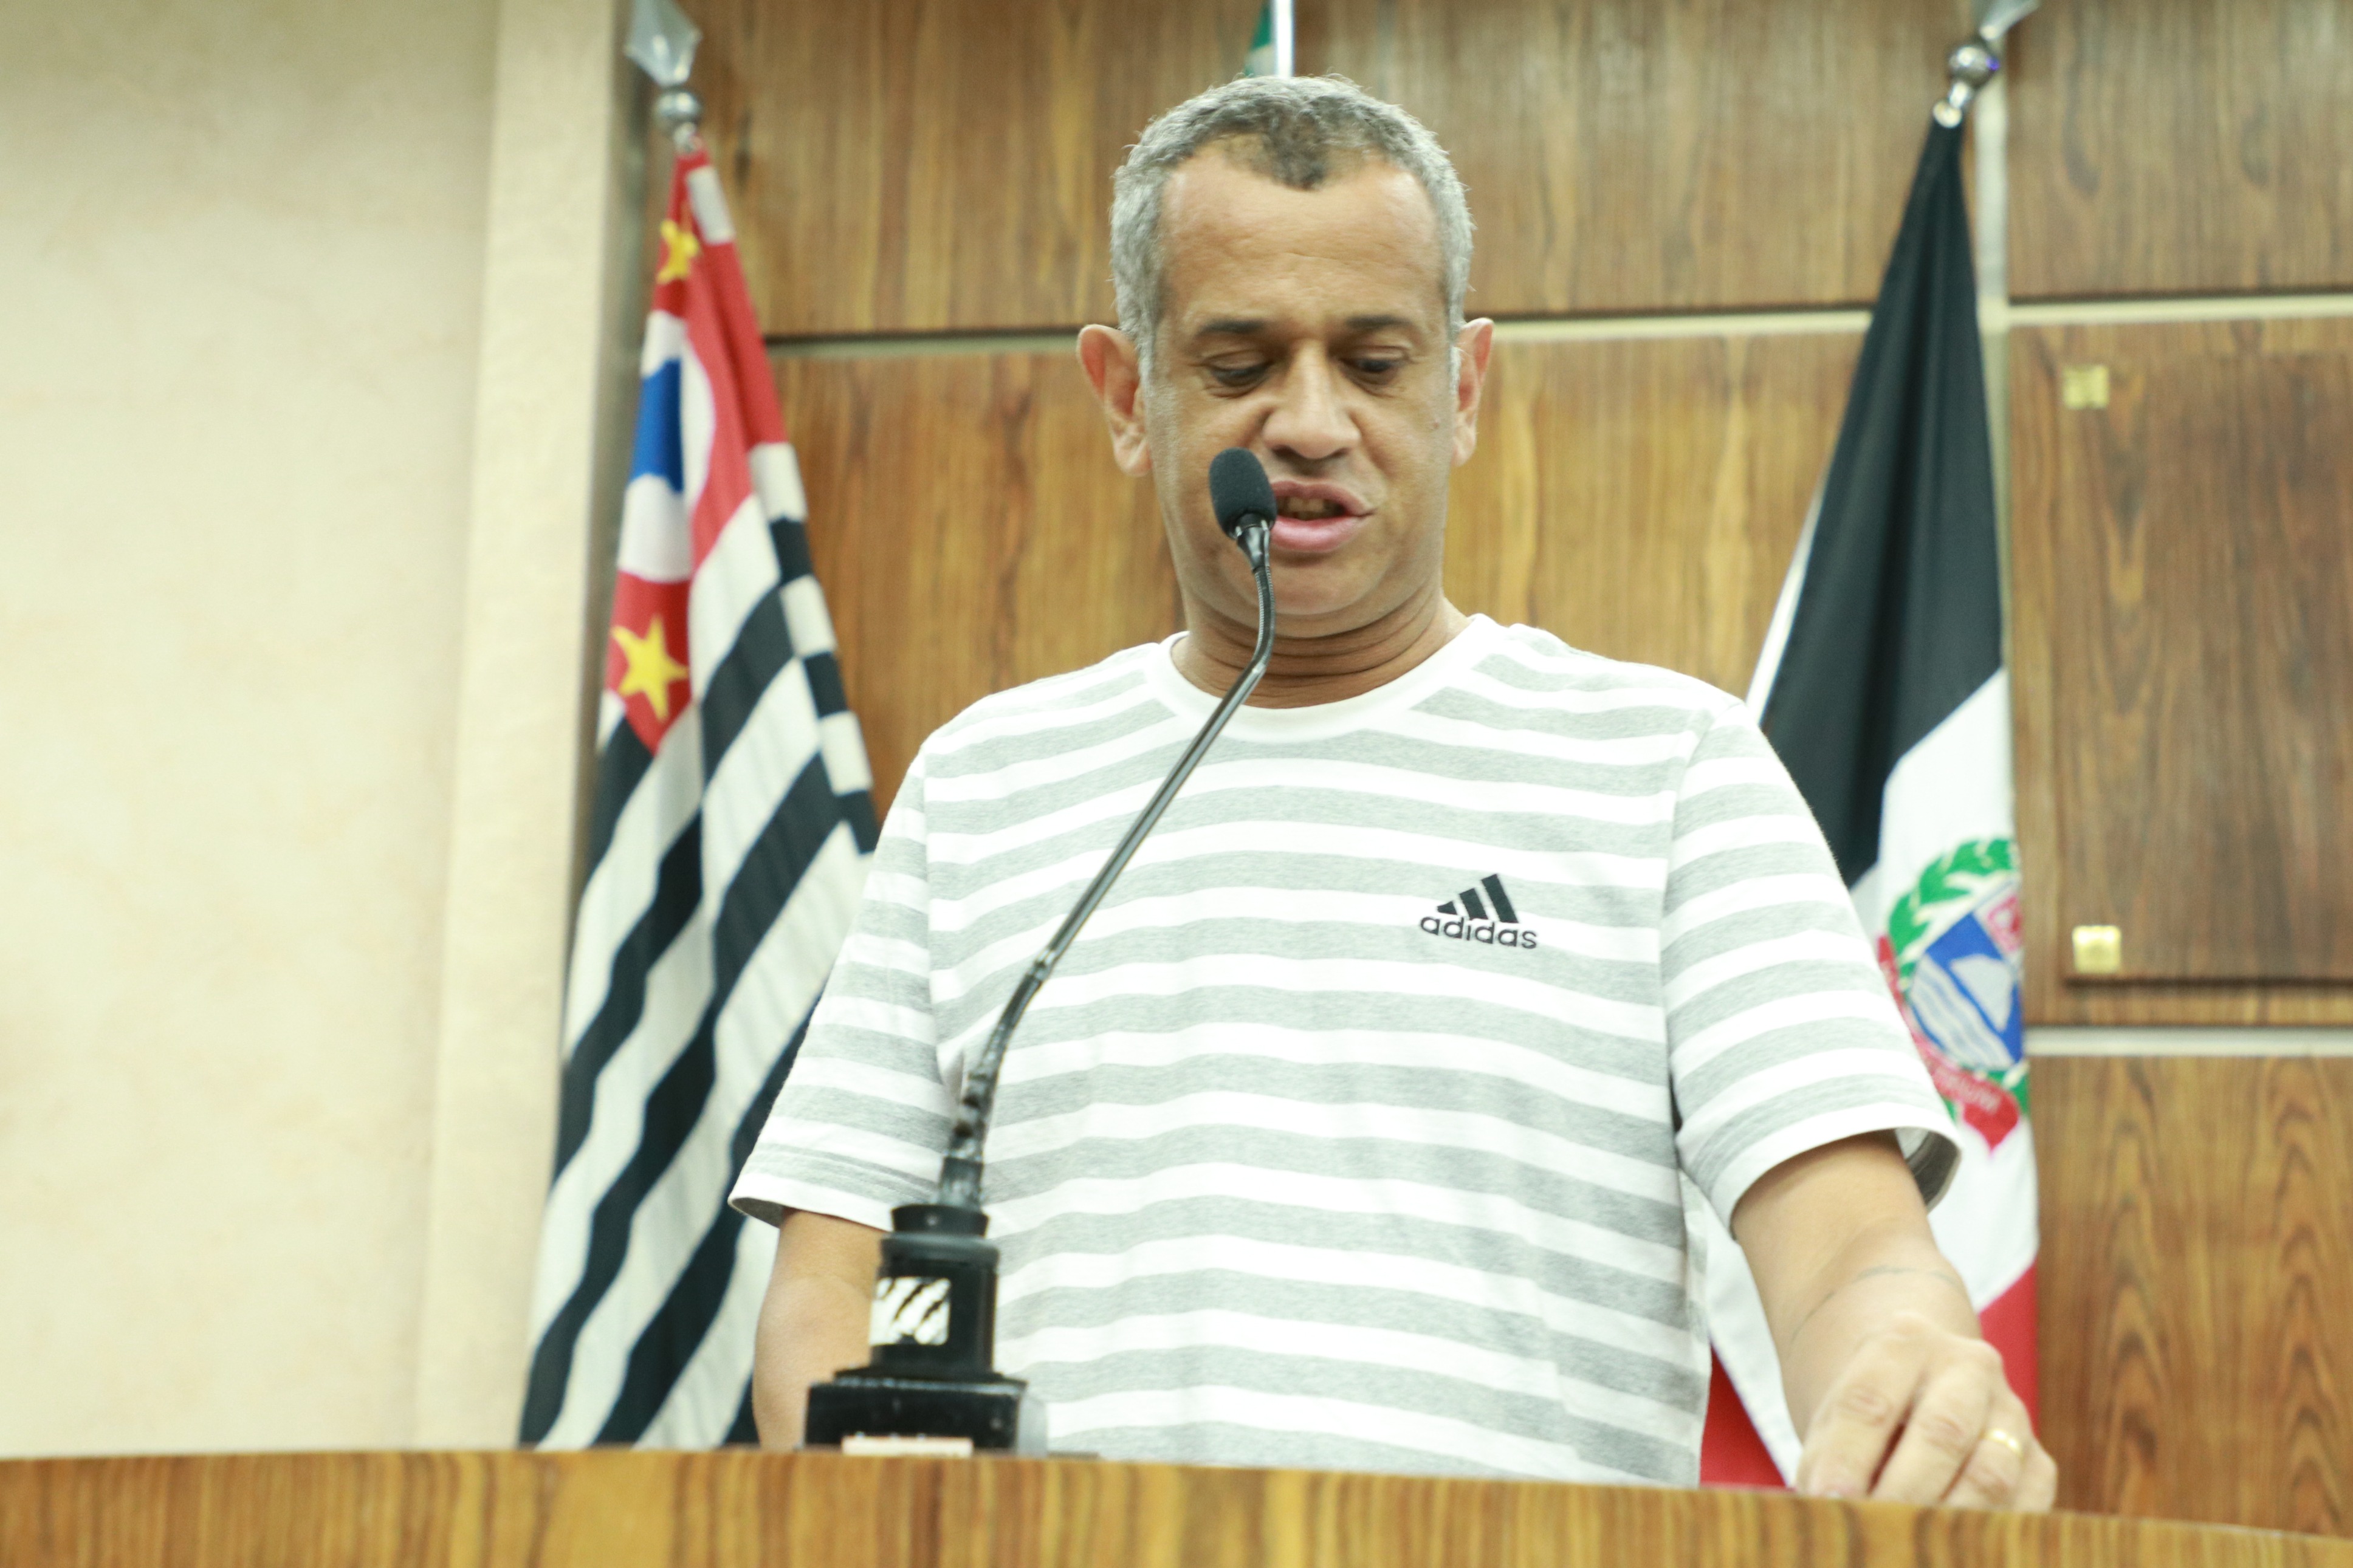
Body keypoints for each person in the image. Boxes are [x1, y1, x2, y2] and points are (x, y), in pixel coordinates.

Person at [730, 74, 2055, 1507]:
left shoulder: (1675, 769)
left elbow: (1849, 1251)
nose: (1311, 423)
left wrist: (1909, 1376)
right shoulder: (984, 781)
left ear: (1461, 389)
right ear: (1125, 397)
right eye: (1238, 364)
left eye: (1373, 362)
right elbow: (831, 1281)